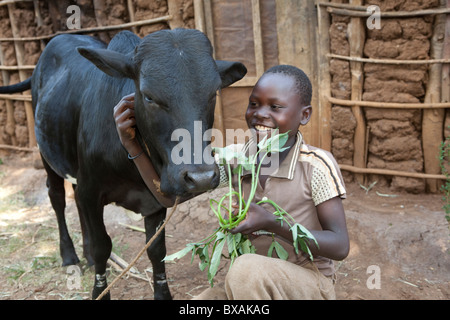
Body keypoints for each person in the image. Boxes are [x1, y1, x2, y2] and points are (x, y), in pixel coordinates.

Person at [114, 65, 349, 300]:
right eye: (254, 104)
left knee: (245, 270)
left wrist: (272, 223)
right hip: (252, 288)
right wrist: (132, 146)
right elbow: (168, 197)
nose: (260, 114)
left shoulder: (316, 166)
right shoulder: (237, 159)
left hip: (308, 284)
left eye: (275, 107)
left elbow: (340, 246)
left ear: (304, 115)